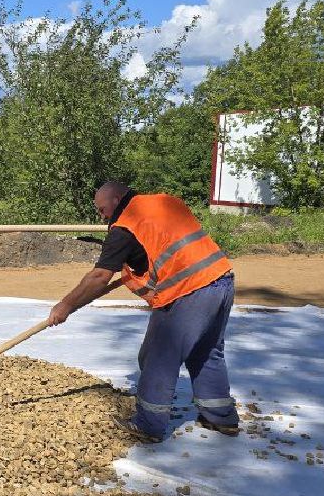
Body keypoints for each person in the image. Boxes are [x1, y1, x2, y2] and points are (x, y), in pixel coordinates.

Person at [44, 181, 240, 443]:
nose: (102, 217)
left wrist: (65, 306)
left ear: (116, 200)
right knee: (206, 352)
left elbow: (100, 275)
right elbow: (165, 247)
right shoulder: (164, 201)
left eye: (102, 210)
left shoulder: (125, 226)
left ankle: (148, 425)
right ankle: (221, 418)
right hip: (221, 278)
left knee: (157, 357)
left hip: (188, 290)